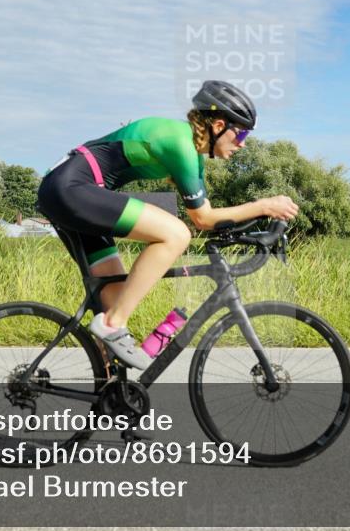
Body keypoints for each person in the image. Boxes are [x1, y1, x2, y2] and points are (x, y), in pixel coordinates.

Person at [37, 80, 299, 370]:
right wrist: (263, 206)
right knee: (175, 234)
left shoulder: (192, 156)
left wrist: (256, 225)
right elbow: (201, 220)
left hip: (72, 190)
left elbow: (210, 216)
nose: (244, 143)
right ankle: (112, 324)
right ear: (219, 125)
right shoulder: (180, 144)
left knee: (113, 294)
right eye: (243, 133)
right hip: (72, 188)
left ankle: (109, 392)